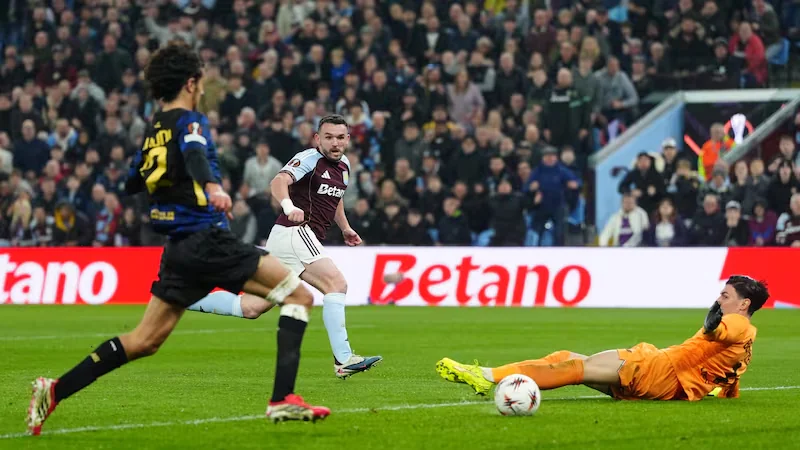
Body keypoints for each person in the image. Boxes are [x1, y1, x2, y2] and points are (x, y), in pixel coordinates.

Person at [26, 43, 329, 436]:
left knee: (144, 341)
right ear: (190, 82)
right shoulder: (190, 121)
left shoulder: (154, 130)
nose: (203, 87)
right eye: (201, 79)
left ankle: (54, 390)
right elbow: (196, 155)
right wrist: (213, 187)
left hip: (178, 249)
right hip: (207, 239)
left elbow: (133, 181)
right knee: (299, 297)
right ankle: (282, 401)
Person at [187, 115, 382, 379]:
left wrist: (345, 228)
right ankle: (344, 359)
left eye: (340, 137)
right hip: (295, 232)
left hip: (291, 239)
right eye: (328, 137)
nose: (334, 143)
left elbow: (335, 197)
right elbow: (278, 182)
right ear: (317, 138)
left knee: (252, 308)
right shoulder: (309, 159)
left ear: (347, 139)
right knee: (336, 284)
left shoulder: (344, 165)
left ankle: (184, 297)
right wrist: (289, 207)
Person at [436, 275, 767, 401]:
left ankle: (485, 376)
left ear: (744, 304)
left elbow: (723, 332)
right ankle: (492, 375)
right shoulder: (747, 345)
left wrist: (713, 326)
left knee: (574, 368)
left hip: (658, 370)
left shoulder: (737, 323)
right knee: (569, 357)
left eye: (725, 295)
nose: (719, 299)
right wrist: (717, 392)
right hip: (667, 384)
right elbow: (728, 379)